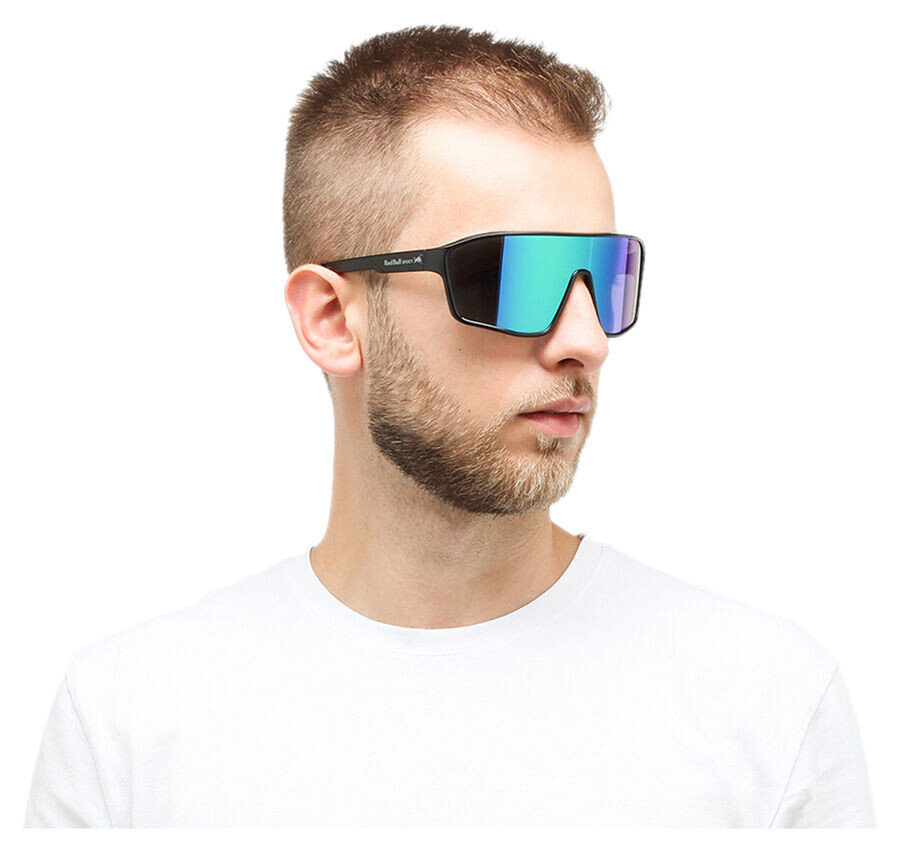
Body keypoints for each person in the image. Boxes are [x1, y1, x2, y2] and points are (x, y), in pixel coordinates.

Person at [24, 24, 875, 828]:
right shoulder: (131, 725)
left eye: (603, 274)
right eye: (514, 275)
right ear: (332, 318)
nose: (586, 341)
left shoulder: (767, 706)